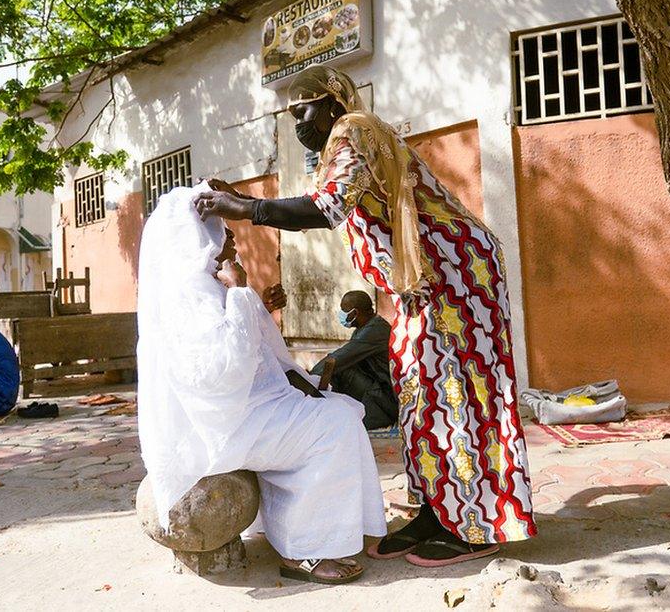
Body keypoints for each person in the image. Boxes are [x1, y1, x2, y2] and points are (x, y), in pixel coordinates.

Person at [195, 64, 536, 567]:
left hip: (459, 276)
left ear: (333, 101)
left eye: (305, 111)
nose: (299, 124)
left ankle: (477, 523)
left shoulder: (354, 129)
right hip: (425, 284)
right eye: (291, 116)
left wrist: (245, 207)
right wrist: (245, 203)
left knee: (457, 393)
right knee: (420, 392)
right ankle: (438, 510)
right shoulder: (342, 143)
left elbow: (328, 207)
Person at [138, 184, 386, 585]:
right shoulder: (192, 292)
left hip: (243, 409)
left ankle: (322, 528)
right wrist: (239, 293)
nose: (231, 236)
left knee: (338, 409)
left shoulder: (207, 282)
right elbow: (222, 370)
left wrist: (301, 381)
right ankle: (303, 552)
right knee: (333, 427)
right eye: (221, 230)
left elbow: (260, 353)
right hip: (221, 425)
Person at [310, 290, 397, 430]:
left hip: (384, 398)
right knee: (336, 369)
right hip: (375, 388)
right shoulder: (366, 328)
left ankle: (331, 416)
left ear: (355, 312)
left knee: (338, 369)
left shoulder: (374, 330)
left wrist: (310, 378)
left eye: (344, 311)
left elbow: (340, 358)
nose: (342, 314)